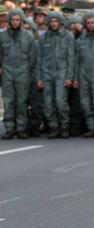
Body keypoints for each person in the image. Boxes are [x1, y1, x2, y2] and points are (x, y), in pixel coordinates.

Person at [37, 12, 75, 139]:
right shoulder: (43, 37)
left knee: (60, 102)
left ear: (60, 22)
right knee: (48, 103)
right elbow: (39, 59)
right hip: (47, 74)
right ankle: (54, 127)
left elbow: (71, 58)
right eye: (51, 21)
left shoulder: (68, 36)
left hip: (62, 73)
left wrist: (69, 77)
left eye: (56, 21)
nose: (53, 23)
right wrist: (39, 78)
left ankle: (64, 126)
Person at [0, 8, 36, 140]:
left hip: (23, 72)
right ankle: (10, 128)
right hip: (7, 72)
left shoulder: (28, 36)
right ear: (9, 21)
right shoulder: (2, 36)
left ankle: (21, 128)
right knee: (8, 101)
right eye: (13, 20)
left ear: (21, 21)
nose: (15, 22)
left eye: (17, 20)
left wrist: (30, 72)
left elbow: (33, 57)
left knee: (21, 101)